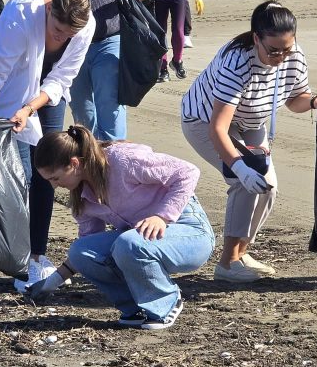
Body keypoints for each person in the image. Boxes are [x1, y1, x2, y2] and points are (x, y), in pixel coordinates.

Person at [181, 1, 317, 282]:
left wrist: (313, 101)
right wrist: (239, 167)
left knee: (268, 187)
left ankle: (241, 252)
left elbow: (294, 100)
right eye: (273, 50)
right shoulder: (237, 61)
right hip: (204, 122)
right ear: (256, 39)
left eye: (286, 49)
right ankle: (226, 264)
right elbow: (218, 129)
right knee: (244, 181)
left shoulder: (294, 56)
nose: (280, 56)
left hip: (251, 122)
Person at [0, 0, 95, 291]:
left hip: (47, 94)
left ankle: (37, 254)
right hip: (8, 91)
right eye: (57, 32)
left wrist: (30, 108)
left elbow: (64, 76)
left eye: (69, 36)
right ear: (50, 9)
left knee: (49, 172)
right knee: (20, 175)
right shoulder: (21, 12)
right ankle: (19, 258)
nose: (62, 38)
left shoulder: (86, 24)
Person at [26, 124, 214, 330]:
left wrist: (161, 216)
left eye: (55, 178)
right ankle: (134, 307)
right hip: (141, 241)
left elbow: (188, 172)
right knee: (81, 251)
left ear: (74, 163)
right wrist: (51, 283)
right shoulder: (82, 198)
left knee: (129, 242)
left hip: (190, 232)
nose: (54, 185)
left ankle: (165, 302)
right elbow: (88, 249)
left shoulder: (122, 161)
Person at [55, 0, 157, 141]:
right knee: (81, 108)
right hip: (75, 42)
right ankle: (87, 154)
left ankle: (114, 155)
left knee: (109, 103)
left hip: (110, 39)